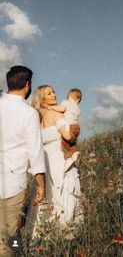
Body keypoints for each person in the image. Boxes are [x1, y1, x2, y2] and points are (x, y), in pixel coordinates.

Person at [0, 66, 46, 256]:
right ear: (27, 85)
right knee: (12, 235)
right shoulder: (28, 113)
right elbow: (35, 151)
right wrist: (41, 184)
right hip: (13, 181)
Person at [29, 85, 82, 229]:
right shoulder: (56, 114)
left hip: (45, 158)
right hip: (58, 155)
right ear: (43, 98)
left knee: (47, 191)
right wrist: (74, 137)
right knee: (65, 188)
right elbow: (67, 136)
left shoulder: (37, 116)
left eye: (53, 92)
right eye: (49, 93)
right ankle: (63, 228)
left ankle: (43, 230)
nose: (54, 95)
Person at [46, 89, 82, 170]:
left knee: (63, 143)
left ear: (69, 96)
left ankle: (68, 158)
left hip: (70, 127)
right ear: (78, 99)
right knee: (71, 144)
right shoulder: (77, 107)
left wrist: (51, 107)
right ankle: (75, 152)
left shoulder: (66, 102)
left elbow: (62, 109)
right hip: (77, 127)